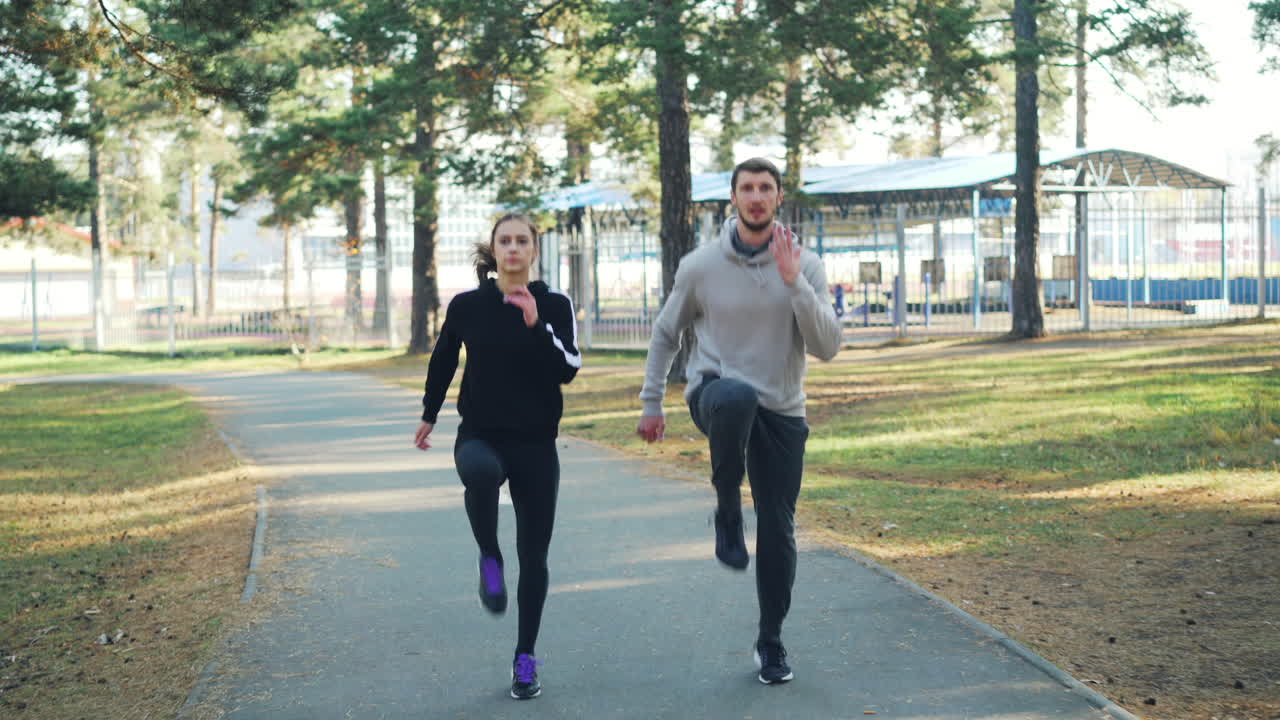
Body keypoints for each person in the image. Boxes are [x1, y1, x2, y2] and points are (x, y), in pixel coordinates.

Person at [636, 157, 842, 685]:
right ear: (732, 199)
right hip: (715, 396)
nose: (755, 197)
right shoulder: (701, 265)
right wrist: (652, 403)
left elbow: (828, 348)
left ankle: (770, 642)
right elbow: (665, 334)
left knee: (778, 529)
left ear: (778, 198)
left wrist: (795, 284)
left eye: (765, 188)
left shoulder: (806, 264)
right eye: (746, 188)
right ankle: (728, 507)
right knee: (735, 395)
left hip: (782, 411)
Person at [414, 213, 581, 700]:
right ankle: (489, 555)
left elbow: (567, 368)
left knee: (535, 557)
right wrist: (430, 413)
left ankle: (525, 657)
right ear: (494, 249)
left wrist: (535, 323)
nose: (512, 248)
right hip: (481, 433)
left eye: (521, 241)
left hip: (535, 443)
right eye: (504, 241)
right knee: (479, 472)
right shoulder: (468, 305)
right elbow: (444, 357)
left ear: (534, 250)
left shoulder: (553, 303)